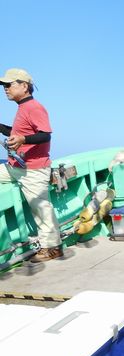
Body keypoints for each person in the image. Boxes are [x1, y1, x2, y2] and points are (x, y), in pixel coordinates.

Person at [0, 68, 63, 262]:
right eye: (4, 86)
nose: (5, 89)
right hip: (15, 167)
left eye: (9, 85)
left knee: (41, 209)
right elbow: (18, 132)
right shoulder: (22, 108)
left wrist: (22, 139)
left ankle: (52, 247)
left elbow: (45, 135)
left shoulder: (34, 107)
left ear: (24, 86)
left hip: (33, 170)